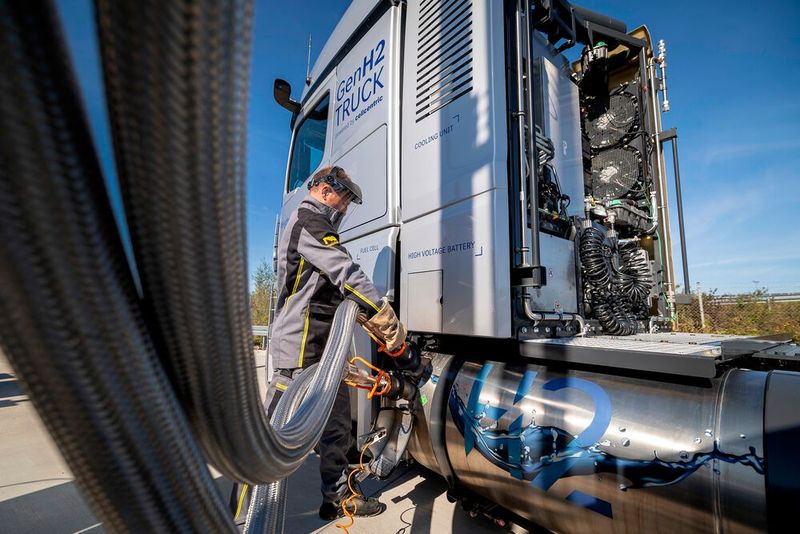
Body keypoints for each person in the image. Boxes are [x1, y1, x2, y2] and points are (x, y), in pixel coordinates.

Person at [266, 165, 406, 520]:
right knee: (271, 437)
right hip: (300, 346)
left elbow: (333, 287)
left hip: (327, 349)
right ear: (325, 190)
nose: (344, 208)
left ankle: (338, 497)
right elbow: (346, 272)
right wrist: (385, 318)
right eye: (343, 200)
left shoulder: (319, 224)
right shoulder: (308, 220)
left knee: (337, 428)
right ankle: (239, 516)